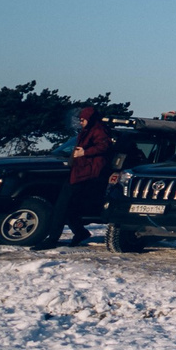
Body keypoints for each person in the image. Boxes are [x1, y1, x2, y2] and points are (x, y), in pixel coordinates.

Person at [62, 105, 113, 247]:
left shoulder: (99, 130)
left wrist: (85, 152)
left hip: (89, 174)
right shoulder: (86, 131)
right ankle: (79, 231)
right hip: (80, 172)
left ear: (89, 119)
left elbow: (104, 146)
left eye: (83, 119)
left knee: (69, 205)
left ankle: (78, 231)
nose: (80, 122)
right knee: (68, 207)